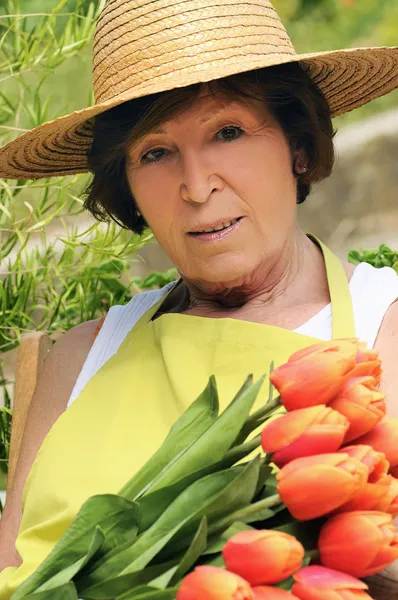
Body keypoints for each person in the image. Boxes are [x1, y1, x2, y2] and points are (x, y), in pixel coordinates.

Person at [0, 0, 397, 597]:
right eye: (155, 152)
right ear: (128, 185)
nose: (195, 186)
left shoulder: (384, 329)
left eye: (228, 132)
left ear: (298, 145)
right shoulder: (81, 356)